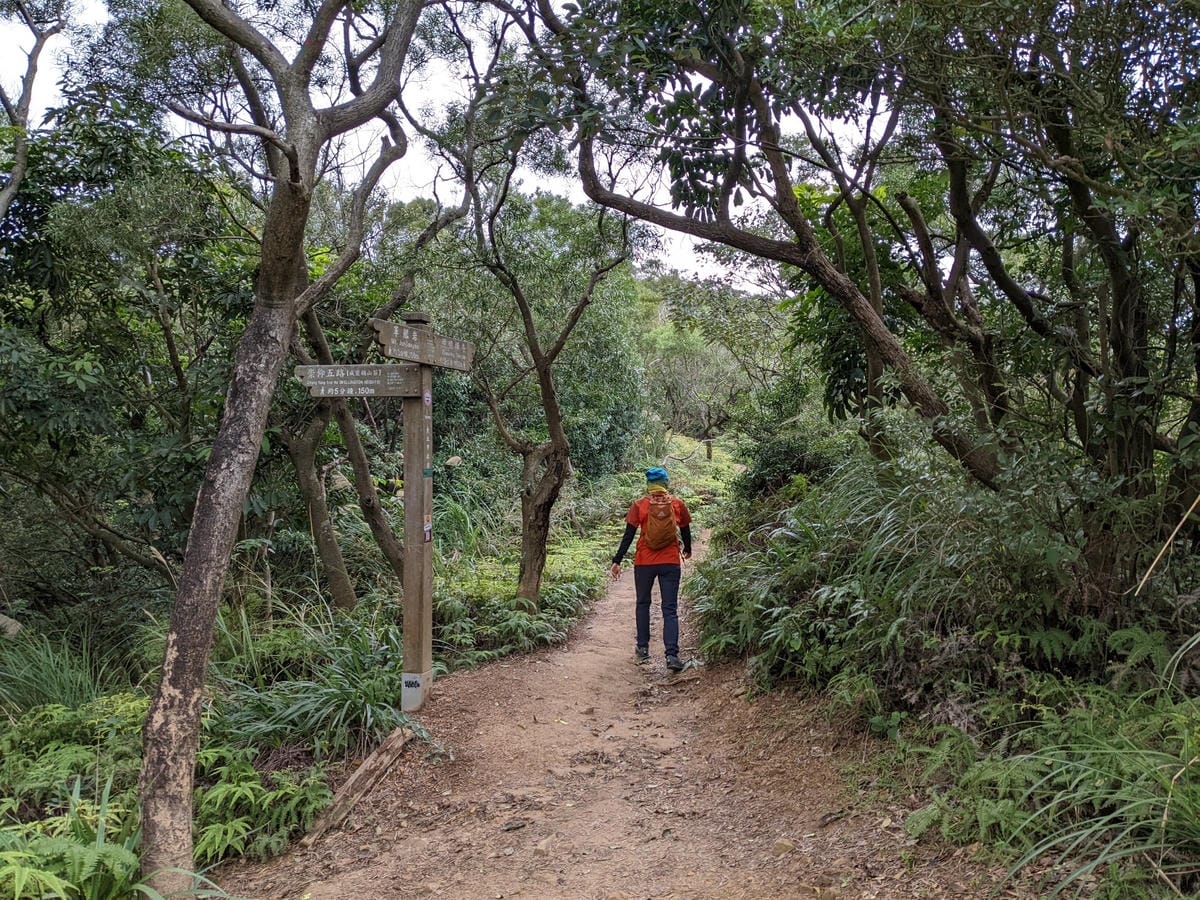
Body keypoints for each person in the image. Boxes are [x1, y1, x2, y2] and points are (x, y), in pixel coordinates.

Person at [610, 466, 693, 671]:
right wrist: (688, 549)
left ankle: (642, 648)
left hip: (644, 562)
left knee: (643, 603)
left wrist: (617, 560)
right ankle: (672, 656)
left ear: (649, 485)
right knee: (670, 609)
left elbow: (628, 535)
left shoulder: (640, 505)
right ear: (666, 484)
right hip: (670, 561)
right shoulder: (677, 504)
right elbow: (685, 530)